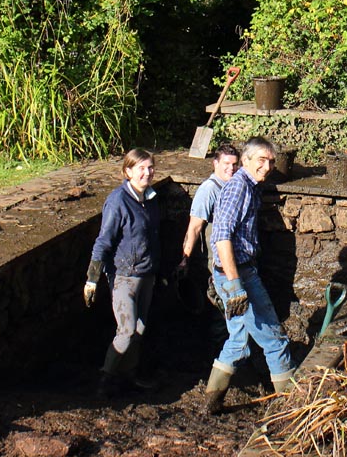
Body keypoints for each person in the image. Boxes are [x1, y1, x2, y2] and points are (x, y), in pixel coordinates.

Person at [203, 136, 296, 414]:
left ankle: (211, 401)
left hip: (239, 272)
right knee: (275, 339)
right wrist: (234, 284)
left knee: (239, 341)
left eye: (270, 162)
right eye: (261, 160)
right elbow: (220, 237)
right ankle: (293, 408)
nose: (267, 167)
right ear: (245, 160)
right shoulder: (237, 189)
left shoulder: (251, 187)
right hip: (237, 275)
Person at [84, 148, 162, 393]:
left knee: (139, 329)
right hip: (124, 275)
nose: (147, 173)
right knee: (126, 330)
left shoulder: (150, 198)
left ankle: (129, 374)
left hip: (147, 273)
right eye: (141, 168)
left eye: (150, 168)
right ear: (127, 171)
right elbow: (103, 241)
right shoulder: (118, 201)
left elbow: (154, 237)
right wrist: (92, 279)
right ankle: (104, 380)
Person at [178, 142, 240, 275]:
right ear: (216, 163)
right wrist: (185, 259)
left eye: (234, 164)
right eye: (226, 163)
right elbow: (194, 227)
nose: (231, 168)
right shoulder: (209, 189)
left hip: (233, 256)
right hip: (214, 261)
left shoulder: (234, 188)